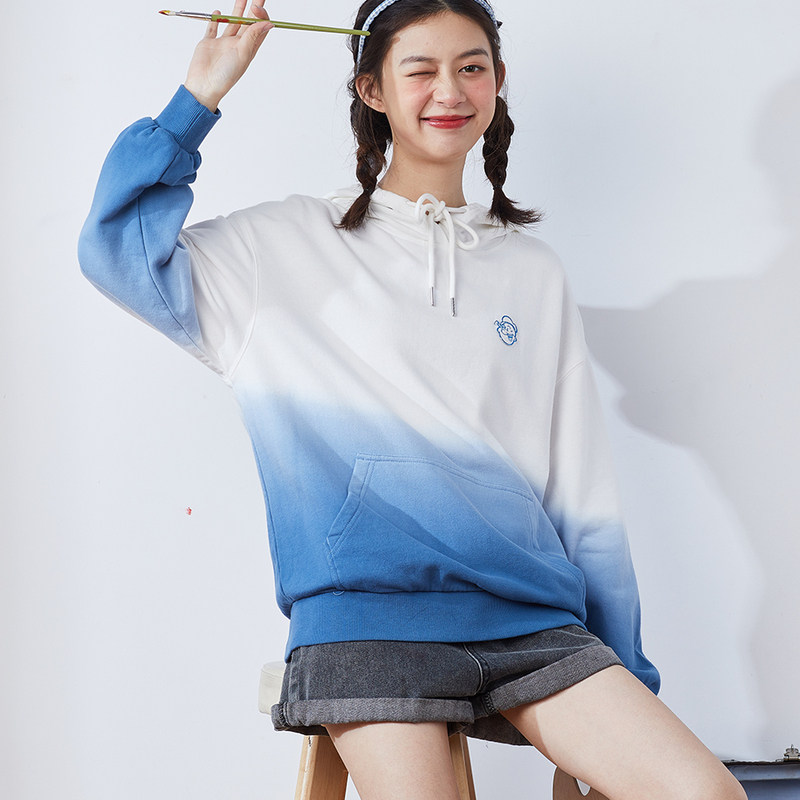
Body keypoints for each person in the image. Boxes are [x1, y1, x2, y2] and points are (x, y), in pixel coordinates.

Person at [78, 1, 747, 798]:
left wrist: (624, 675)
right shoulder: (280, 247)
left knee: (705, 793)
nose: (450, 91)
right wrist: (199, 98)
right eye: (420, 70)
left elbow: (582, 494)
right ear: (372, 89)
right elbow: (116, 248)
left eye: (471, 67)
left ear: (498, 81)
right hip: (365, 623)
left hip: (531, 622)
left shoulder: (532, 272)